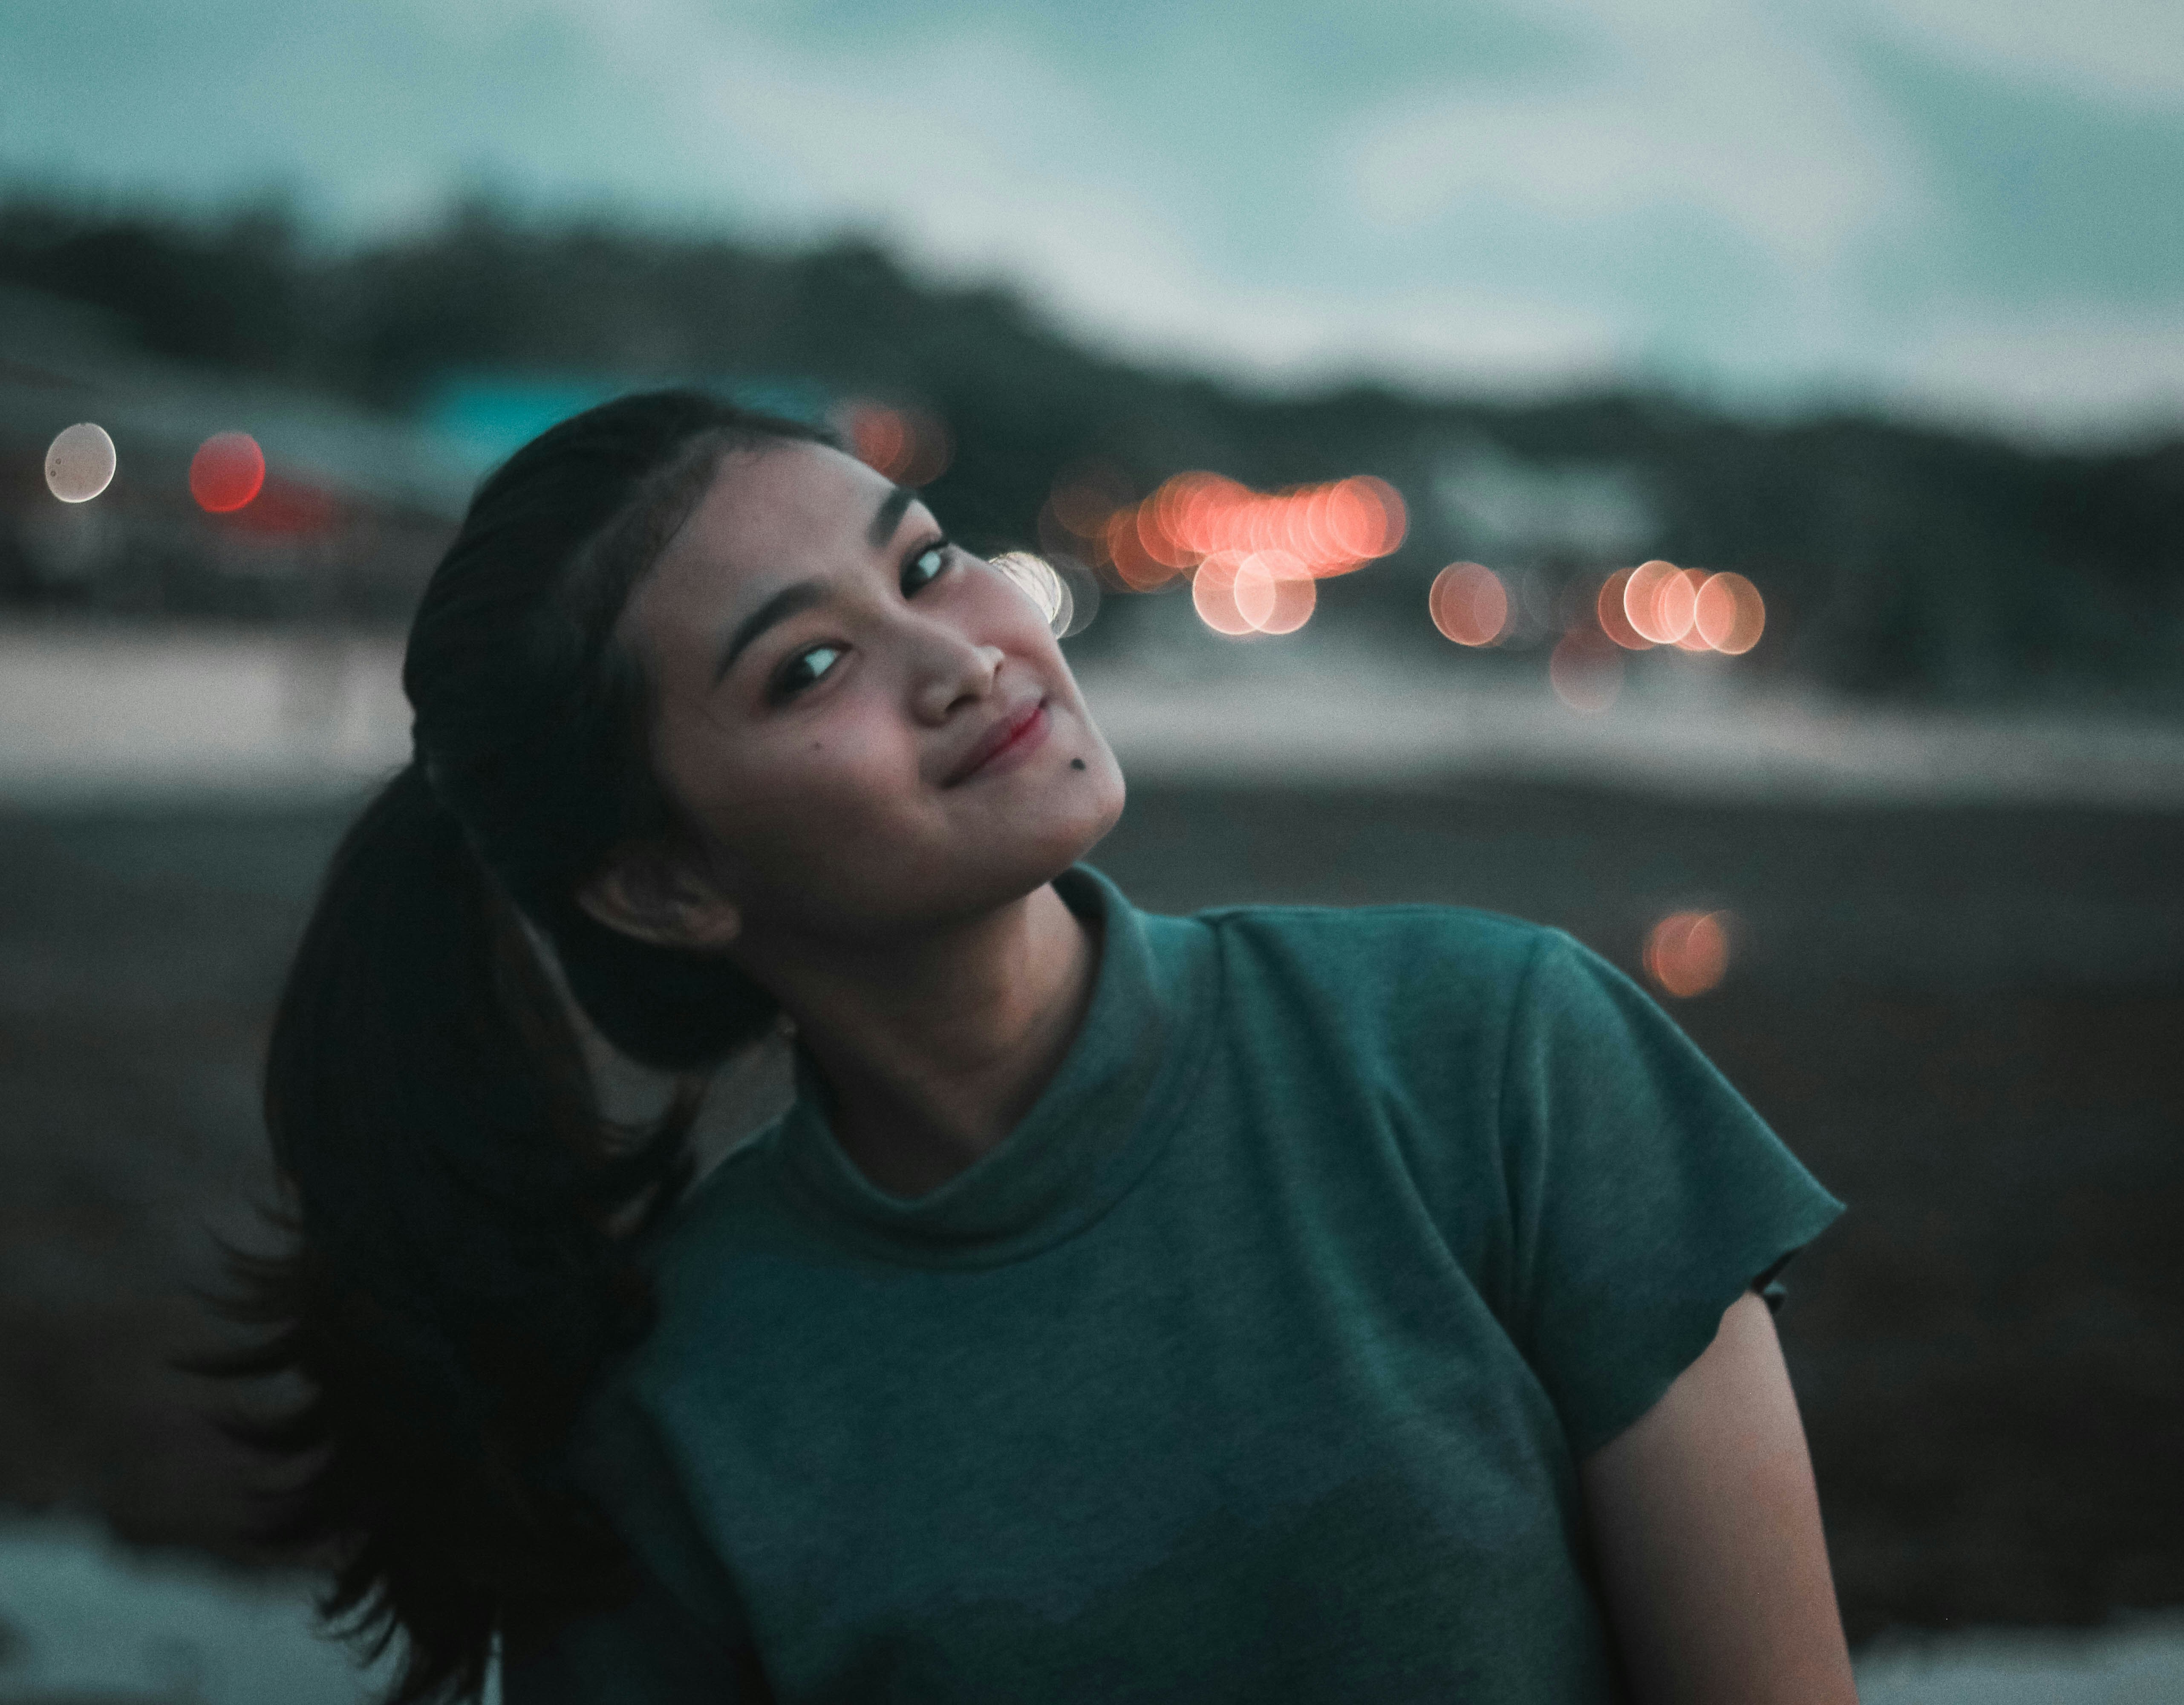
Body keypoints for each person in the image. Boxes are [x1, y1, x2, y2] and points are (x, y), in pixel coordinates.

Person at [222, 389, 1856, 1704]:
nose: (958, 656)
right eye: (810, 667)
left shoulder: (1499, 1060)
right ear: (664, 884)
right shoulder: (679, 1422)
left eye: (928, 564)